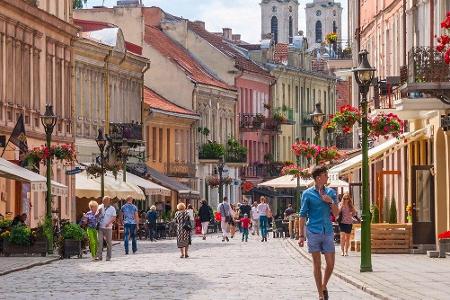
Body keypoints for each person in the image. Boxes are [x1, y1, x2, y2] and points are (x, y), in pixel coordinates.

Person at [298, 165, 338, 300]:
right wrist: (301, 235)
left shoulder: (331, 192)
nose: (327, 177)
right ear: (318, 178)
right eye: (325, 175)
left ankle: (323, 285)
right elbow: (302, 215)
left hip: (327, 231)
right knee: (317, 264)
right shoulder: (307, 194)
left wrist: (330, 201)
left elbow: (337, 214)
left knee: (331, 264)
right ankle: (320, 295)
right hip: (313, 231)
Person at [96, 196, 117, 261]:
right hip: (100, 227)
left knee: (109, 243)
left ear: (109, 201)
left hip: (108, 228)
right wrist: (98, 212)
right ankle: (99, 256)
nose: (104, 202)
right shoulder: (100, 206)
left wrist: (109, 223)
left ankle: (108, 257)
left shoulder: (112, 208)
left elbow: (114, 217)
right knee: (99, 242)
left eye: (106, 200)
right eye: (103, 200)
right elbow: (96, 216)